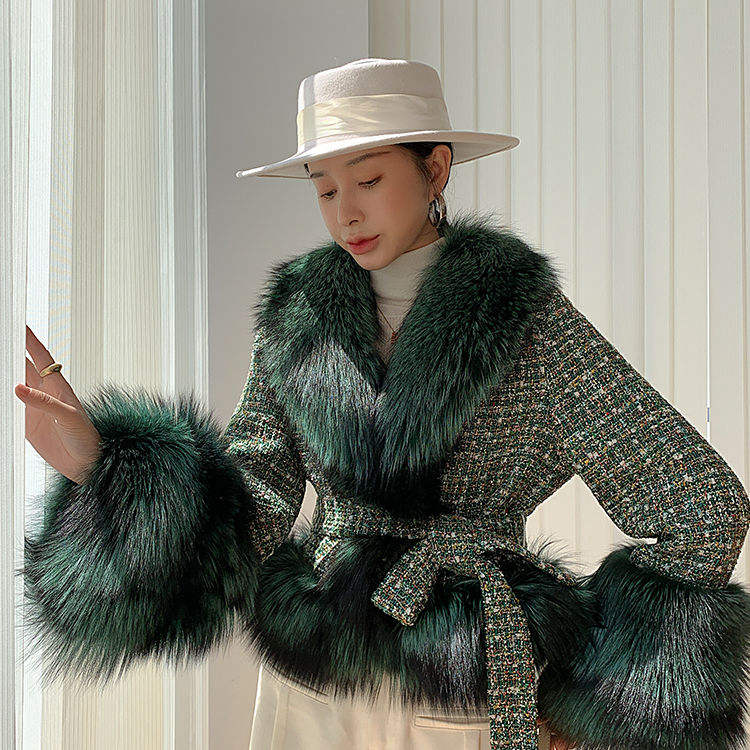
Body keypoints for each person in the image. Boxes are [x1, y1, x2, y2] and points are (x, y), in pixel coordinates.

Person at [14, 57, 750, 750]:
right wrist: (107, 472)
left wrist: (599, 703)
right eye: (324, 189)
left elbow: (704, 507)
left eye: (367, 179)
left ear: (436, 168)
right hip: (311, 690)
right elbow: (250, 512)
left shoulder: (528, 322)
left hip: (460, 689)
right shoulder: (298, 321)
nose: (346, 213)